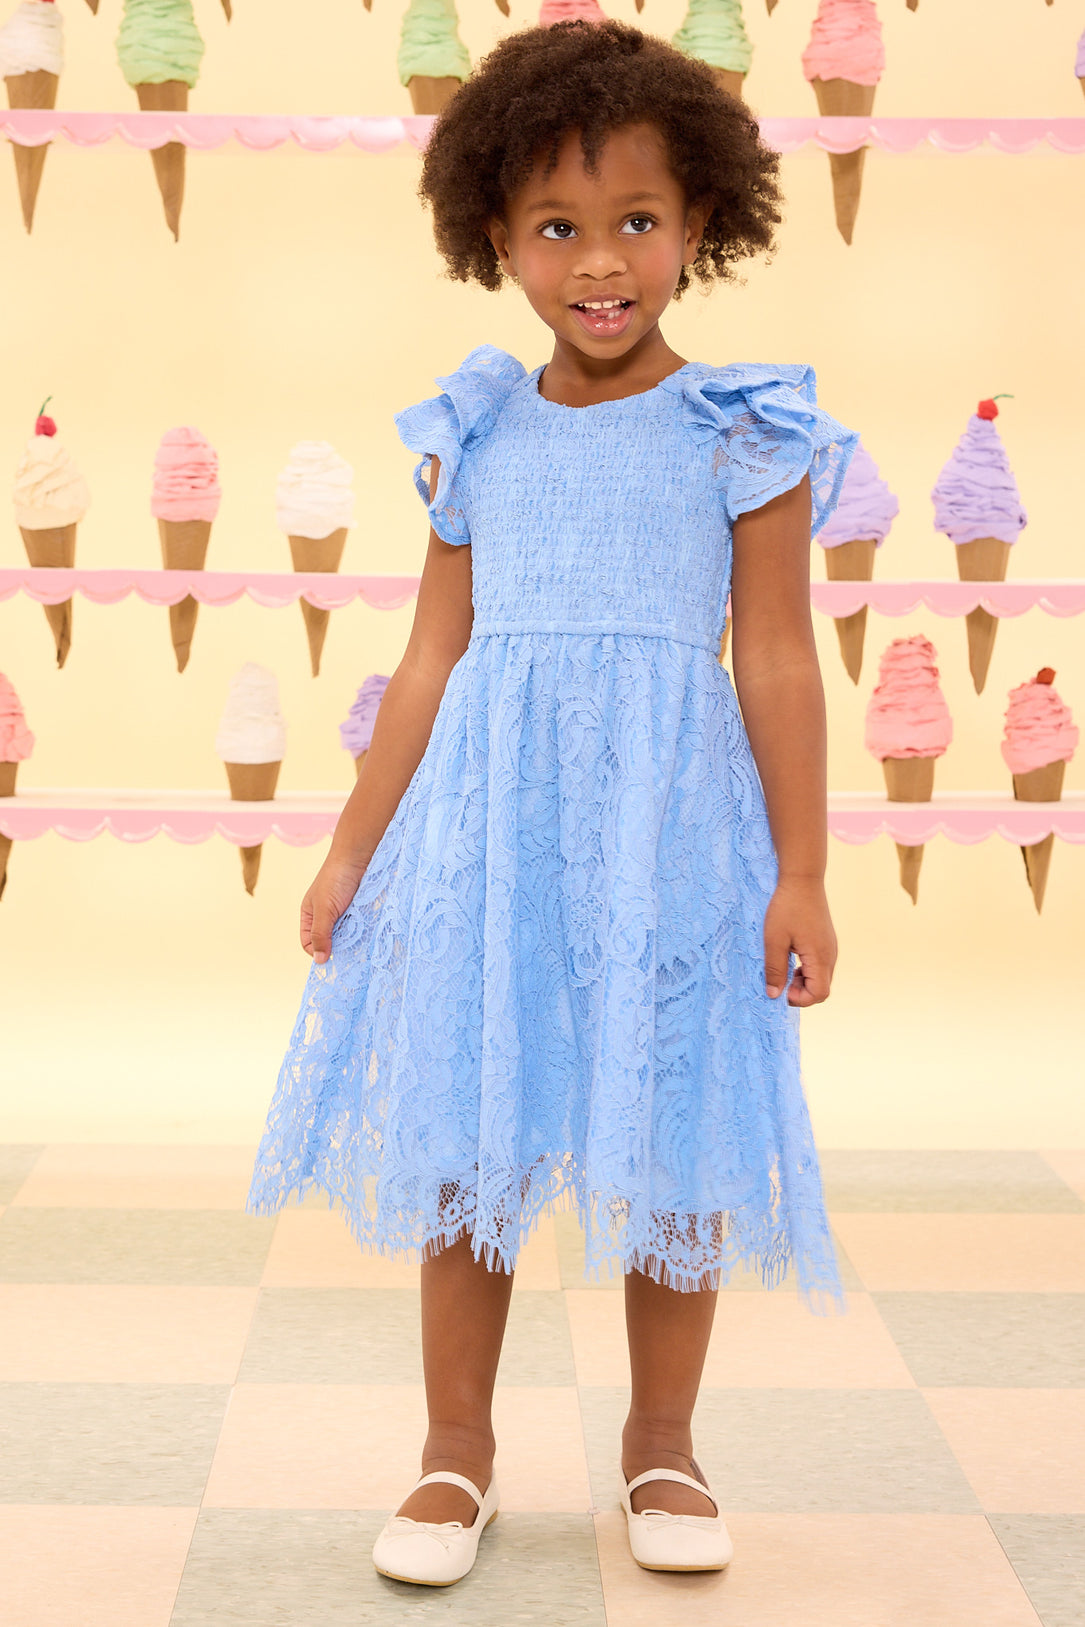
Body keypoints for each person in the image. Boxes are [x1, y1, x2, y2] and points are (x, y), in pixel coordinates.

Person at [246, 17, 858, 1588]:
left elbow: (779, 661)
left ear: (699, 226)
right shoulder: (478, 428)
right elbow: (429, 659)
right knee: (472, 1138)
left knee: (669, 1143)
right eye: (557, 229)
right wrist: (346, 853)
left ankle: (665, 1442)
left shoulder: (744, 430)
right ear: (496, 244)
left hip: (671, 836)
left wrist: (801, 871)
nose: (602, 263)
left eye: (637, 222)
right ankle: (456, 1454)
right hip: (490, 838)